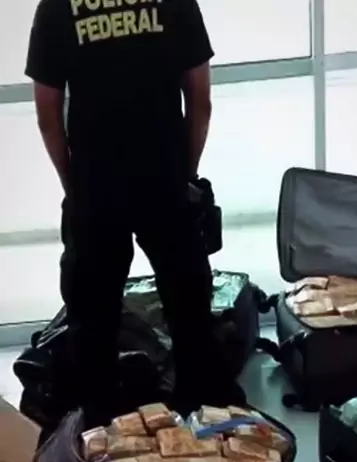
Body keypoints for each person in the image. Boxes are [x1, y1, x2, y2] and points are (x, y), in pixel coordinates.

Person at [25, 0, 245, 427]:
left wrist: (74, 185)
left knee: (93, 325)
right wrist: (185, 174)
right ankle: (204, 432)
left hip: (95, 184)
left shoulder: (56, 7)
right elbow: (200, 100)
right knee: (190, 313)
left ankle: (104, 438)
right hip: (163, 177)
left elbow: (47, 115)